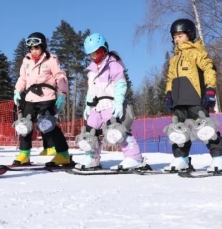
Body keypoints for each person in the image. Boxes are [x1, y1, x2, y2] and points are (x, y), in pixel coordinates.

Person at [163, 19, 222, 173]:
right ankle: (181, 159)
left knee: (205, 128)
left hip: (195, 98)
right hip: (179, 101)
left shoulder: (197, 53)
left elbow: (209, 69)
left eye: (180, 35)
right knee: (178, 131)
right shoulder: (173, 60)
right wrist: (168, 94)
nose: (176, 38)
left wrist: (210, 90)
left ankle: (220, 157)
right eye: (174, 36)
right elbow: (170, 79)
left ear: (190, 34)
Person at [74, 33, 144, 171]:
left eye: (96, 52)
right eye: (91, 54)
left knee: (116, 131)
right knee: (90, 132)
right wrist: (87, 106)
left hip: (110, 104)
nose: (94, 56)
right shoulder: (91, 70)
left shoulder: (113, 64)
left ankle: (134, 157)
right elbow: (91, 90)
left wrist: (119, 103)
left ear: (104, 49)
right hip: (96, 107)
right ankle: (92, 157)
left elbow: (120, 84)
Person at [12, 32, 71, 166]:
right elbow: (23, 78)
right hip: (30, 98)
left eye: (36, 48)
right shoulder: (26, 60)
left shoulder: (51, 59)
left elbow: (60, 76)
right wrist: (17, 91)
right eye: (32, 49)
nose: (34, 51)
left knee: (48, 125)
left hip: (47, 97)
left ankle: (63, 154)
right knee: (24, 125)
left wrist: (62, 94)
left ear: (43, 47)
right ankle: (24, 153)